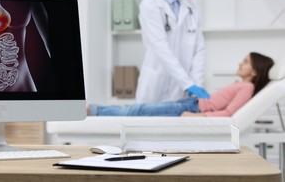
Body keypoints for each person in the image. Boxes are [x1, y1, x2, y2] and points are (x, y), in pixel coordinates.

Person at [88, 52, 274, 117]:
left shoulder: (247, 87)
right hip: (192, 103)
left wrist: (197, 117)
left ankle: (94, 110)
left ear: (255, 71)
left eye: (246, 62)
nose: (240, 64)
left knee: (138, 111)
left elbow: (229, 113)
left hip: (192, 109)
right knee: (139, 109)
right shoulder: (242, 85)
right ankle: (95, 110)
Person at [136, 0, 207, 103]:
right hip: (155, 85)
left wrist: (197, 84)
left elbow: (199, 50)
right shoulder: (150, 5)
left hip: (180, 90)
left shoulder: (193, 10)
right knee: (146, 124)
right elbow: (160, 47)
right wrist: (187, 83)